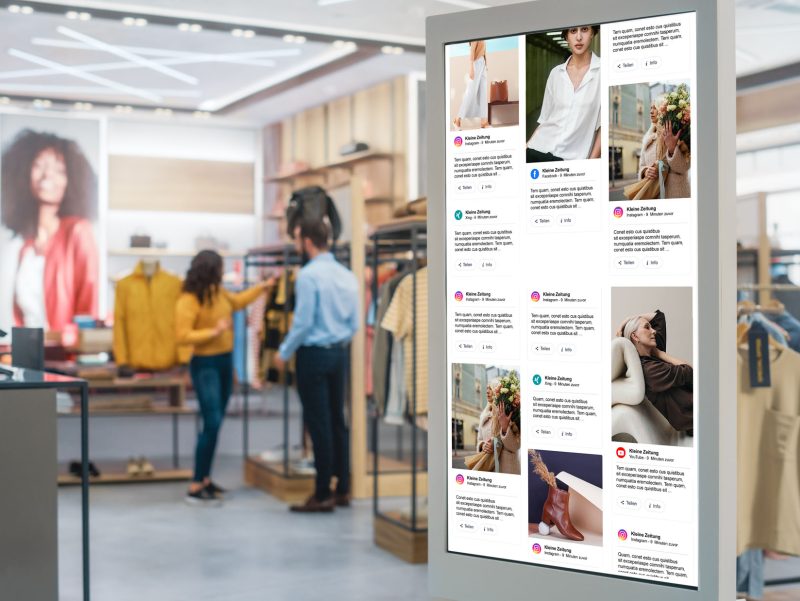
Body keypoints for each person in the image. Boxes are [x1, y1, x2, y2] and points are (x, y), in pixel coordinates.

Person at [274, 220, 360, 513]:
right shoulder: (348, 276)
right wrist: (336, 341)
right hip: (339, 354)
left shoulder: (308, 276)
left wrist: (284, 351)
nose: (297, 245)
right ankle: (343, 489)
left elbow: (304, 322)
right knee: (338, 420)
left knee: (318, 423)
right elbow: (354, 325)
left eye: (298, 239)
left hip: (312, 354)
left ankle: (322, 492)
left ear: (308, 241)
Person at [176, 250, 274, 505]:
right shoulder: (188, 299)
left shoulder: (218, 293)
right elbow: (183, 335)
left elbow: (239, 302)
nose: (223, 272)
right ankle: (196, 484)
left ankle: (205, 479)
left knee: (215, 423)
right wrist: (214, 331)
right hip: (205, 364)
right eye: (219, 268)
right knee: (212, 421)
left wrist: (263, 287)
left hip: (223, 362)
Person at [0, 129, 98, 330]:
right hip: (24, 351)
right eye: (39, 165)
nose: (47, 176)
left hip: (62, 355)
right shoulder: (21, 246)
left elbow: (89, 306)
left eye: (59, 170)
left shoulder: (78, 232)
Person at [526, 25, 601, 163]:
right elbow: (545, 120)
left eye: (584, 29)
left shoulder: (602, 72)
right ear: (566, 36)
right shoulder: (555, 73)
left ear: (593, 33)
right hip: (536, 150)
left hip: (569, 161)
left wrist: (590, 164)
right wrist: (525, 147)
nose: (578, 37)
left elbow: (602, 127)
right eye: (573, 31)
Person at [617, 310, 693, 432]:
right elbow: (691, 372)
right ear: (635, 336)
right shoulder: (650, 370)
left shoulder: (652, 352)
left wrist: (627, 319)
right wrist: (661, 353)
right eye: (647, 327)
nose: (654, 331)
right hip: (694, 419)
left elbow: (659, 317)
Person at [637, 101, 691, 199]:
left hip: (676, 197)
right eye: (650, 108)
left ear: (663, 110)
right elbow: (641, 165)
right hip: (654, 199)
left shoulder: (676, 130)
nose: (651, 111)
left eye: (655, 108)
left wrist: (672, 148)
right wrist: (645, 171)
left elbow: (684, 167)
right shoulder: (647, 138)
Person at [476, 399, 520, 474]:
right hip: (488, 468)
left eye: (490, 388)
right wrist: (483, 445)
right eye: (487, 388)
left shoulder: (512, 409)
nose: (487, 391)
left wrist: (505, 427)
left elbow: (515, 446)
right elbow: (479, 440)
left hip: (507, 469)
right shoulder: (484, 415)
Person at [453, 40, 489, 130]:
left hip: (483, 64)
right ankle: (457, 120)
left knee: (483, 93)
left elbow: (484, 50)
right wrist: (471, 68)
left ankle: (484, 122)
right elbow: (472, 51)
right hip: (476, 64)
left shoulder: (484, 35)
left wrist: (486, 64)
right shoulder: (475, 34)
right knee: (470, 92)